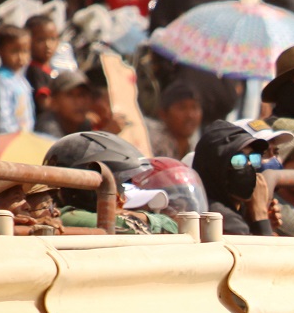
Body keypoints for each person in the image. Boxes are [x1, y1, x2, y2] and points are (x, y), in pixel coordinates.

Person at [43, 130, 179, 234]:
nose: (123, 199)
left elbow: (170, 225)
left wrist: (138, 215)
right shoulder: (68, 217)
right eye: (115, 187)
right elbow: (135, 228)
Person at [193, 119, 282, 235]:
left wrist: (252, 220)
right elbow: (263, 253)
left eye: (253, 157)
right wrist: (260, 216)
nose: (249, 164)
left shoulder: (232, 211)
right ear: (216, 167)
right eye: (239, 160)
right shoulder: (224, 220)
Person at [0, 25, 37, 135]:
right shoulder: (2, 80)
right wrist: (10, 134)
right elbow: (3, 115)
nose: (21, 57)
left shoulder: (21, 79)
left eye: (25, 51)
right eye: (14, 51)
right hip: (10, 137)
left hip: (25, 136)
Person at [146, 79, 203, 159]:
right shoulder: (149, 143)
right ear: (163, 114)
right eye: (182, 108)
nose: (190, 115)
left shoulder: (196, 147)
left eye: (195, 107)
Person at [35, 69, 98, 137]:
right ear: (54, 101)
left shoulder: (85, 125)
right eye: (70, 95)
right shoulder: (46, 128)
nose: (79, 102)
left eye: (82, 95)